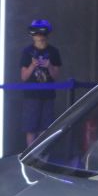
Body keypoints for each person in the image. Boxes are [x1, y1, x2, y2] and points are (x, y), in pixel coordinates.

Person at [19, 18, 65, 149]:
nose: (39, 36)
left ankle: (42, 155)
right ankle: (31, 155)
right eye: (36, 33)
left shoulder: (54, 52)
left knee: (45, 129)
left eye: (42, 32)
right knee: (30, 128)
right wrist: (32, 66)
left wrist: (49, 66)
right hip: (31, 96)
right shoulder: (27, 52)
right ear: (32, 35)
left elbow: (56, 76)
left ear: (47, 34)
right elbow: (23, 77)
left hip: (48, 96)